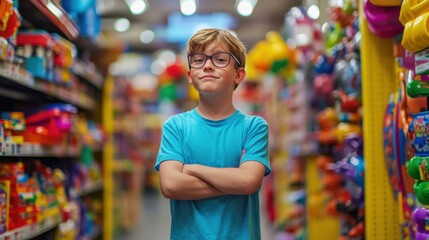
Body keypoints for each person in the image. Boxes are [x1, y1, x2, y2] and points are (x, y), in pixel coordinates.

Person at [155, 28, 271, 240]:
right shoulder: (176, 126)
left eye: (220, 59)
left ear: (239, 74)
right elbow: (170, 185)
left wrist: (191, 169)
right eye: (198, 60)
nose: (207, 65)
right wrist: (234, 181)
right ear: (190, 75)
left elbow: (248, 183)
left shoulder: (254, 127)